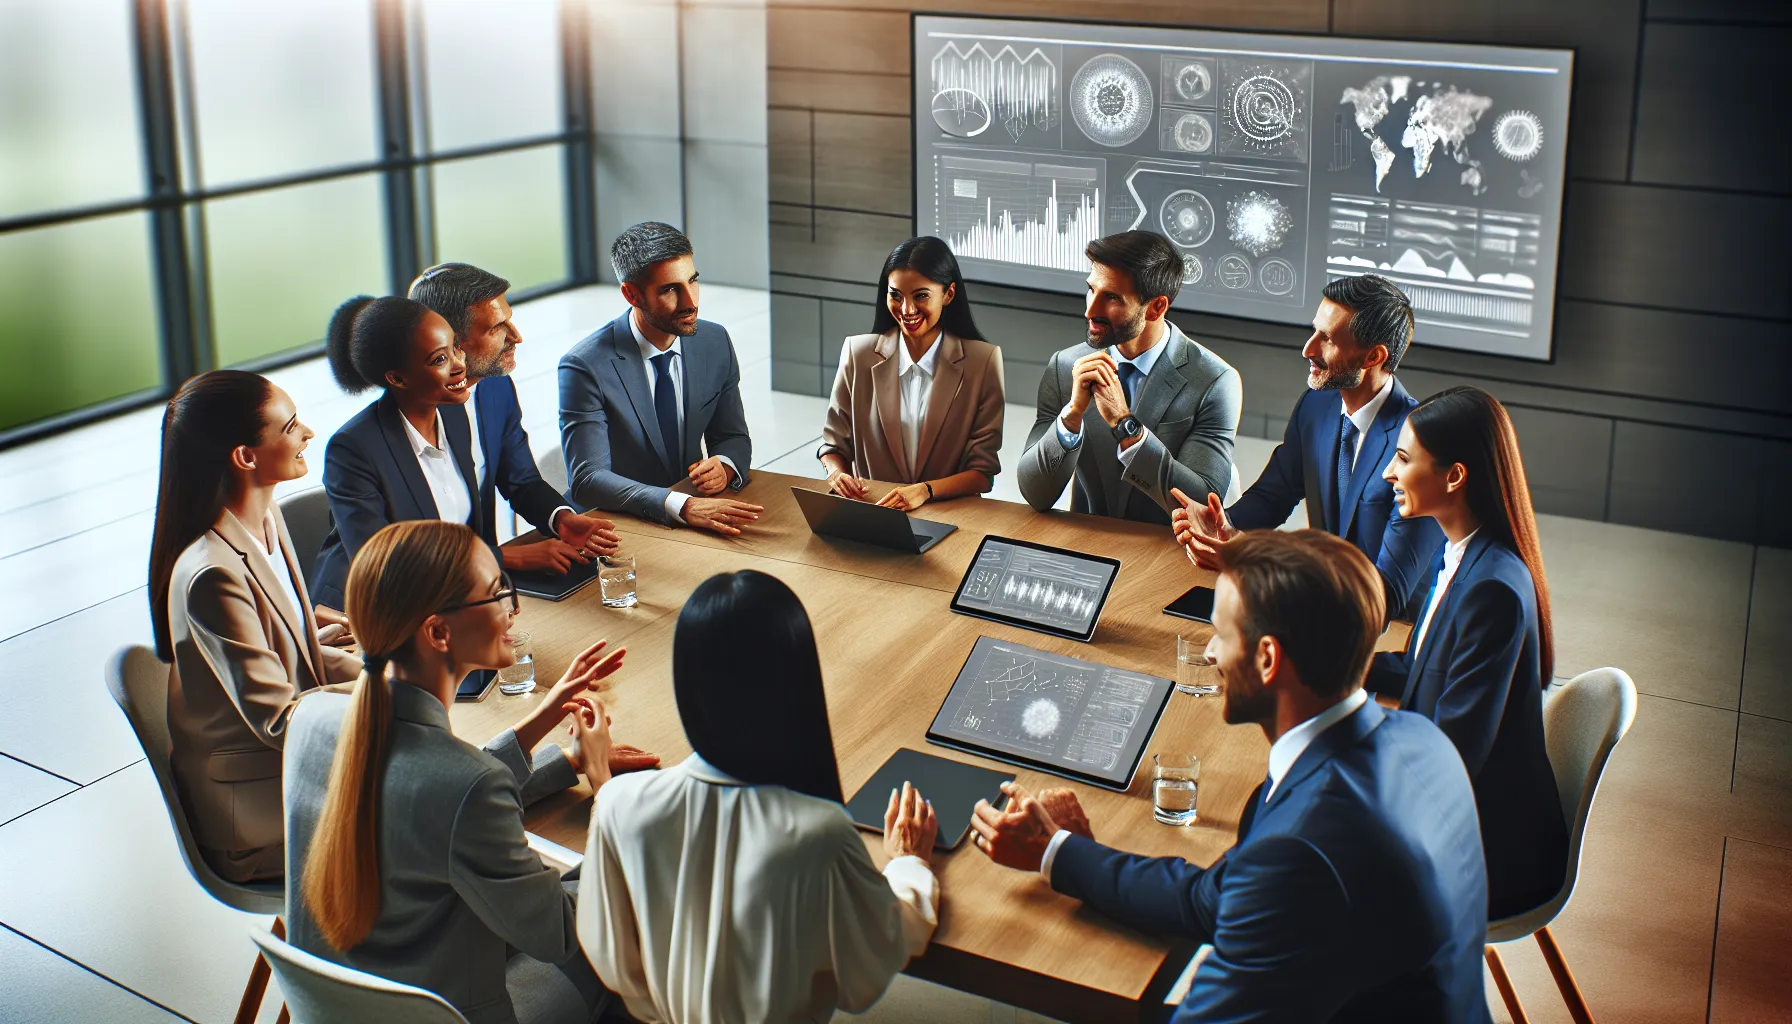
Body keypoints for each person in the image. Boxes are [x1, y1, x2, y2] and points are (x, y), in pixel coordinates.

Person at [970, 530, 1492, 1023]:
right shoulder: (1421, 739)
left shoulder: (1298, 854)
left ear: (1268, 658)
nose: (1211, 653)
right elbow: (1216, 896)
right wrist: (1056, 851)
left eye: (1220, 634)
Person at [284, 520, 659, 1024]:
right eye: (497, 592)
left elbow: (430, 793)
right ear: (438, 631)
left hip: (354, 999)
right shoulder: (467, 786)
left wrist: (551, 734)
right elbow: (566, 933)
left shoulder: (311, 717)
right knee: (636, 924)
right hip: (464, 1012)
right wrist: (604, 789)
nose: (513, 607)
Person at [579, 570, 941, 1024]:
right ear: (800, 683)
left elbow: (615, 961)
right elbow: (878, 956)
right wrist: (909, 864)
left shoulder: (617, 805)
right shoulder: (818, 833)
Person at [148, 370, 362, 883]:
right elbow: (277, 721)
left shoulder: (264, 519)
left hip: (291, 772)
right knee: (441, 810)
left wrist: (371, 665)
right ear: (244, 456)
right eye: (290, 426)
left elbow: (297, 660)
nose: (308, 432)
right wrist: (382, 692)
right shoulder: (212, 574)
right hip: (261, 821)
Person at [1371, 384, 1567, 920]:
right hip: (1472, 814)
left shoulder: (1493, 589)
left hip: (1492, 852)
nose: (1389, 472)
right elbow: (1421, 672)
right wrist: (1321, 666)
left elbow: (1452, 754)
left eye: (1404, 460)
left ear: (1454, 476)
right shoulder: (1464, 553)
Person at [312, 295, 619, 610]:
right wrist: (502, 558)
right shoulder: (353, 448)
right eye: (439, 359)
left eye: (456, 348)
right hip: (367, 616)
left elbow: (474, 523)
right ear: (397, 378)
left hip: (452, 599)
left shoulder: (455, 418)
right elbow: (385, 564)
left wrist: (560, 523)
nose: (460, 365)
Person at [1173, 274, 1444, 617]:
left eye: (1328, 339)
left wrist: (1259, 559)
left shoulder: (1422, 446)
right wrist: (1223, 523)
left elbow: (1386, 593)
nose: (1308, 349)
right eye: (1314, 330)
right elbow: (1275, 494)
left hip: (1393, 633)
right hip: (1320, 609)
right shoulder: (1316, 407)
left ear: (1373, 356)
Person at [1016, 230, 1241, 524]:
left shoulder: (1215, 382)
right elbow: (1035, 494)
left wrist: (1127, 426)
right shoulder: (1065, 366)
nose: (1090, 310)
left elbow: (1201, 505)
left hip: (1167, 555)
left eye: (1111, 297)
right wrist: (1070, 418)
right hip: (1087, 552)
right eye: (1091, 290)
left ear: (1157, 307)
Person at [559, 222, 762, 536]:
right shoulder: (585, 365)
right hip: (619, 524)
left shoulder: (714, 340)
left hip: (696, 512)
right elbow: (589, 479)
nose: (690, 301)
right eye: (670, 289)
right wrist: (680, 505)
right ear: (631, 294)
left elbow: (732, 435)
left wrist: (724, 464)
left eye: (692, 282)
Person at [409, 262, 598, 561]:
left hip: (486, 581)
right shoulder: (408, 418)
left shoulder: (494, 387)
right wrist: (513, 558)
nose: (516, 337)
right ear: (450, 341)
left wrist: (561, 518)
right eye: (498, 328)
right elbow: (409, 550)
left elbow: (521, 480)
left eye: (510, 321)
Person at [818, 236, 1005, 510]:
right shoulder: (857, 353)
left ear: (948, 294)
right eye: (896, 295)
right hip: (873, 512)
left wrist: (926, 491)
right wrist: (836, 474)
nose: (906, 310)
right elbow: (833, 446)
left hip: (951, 516)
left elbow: (983, 473)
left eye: (921, 296)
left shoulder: (983, 361)